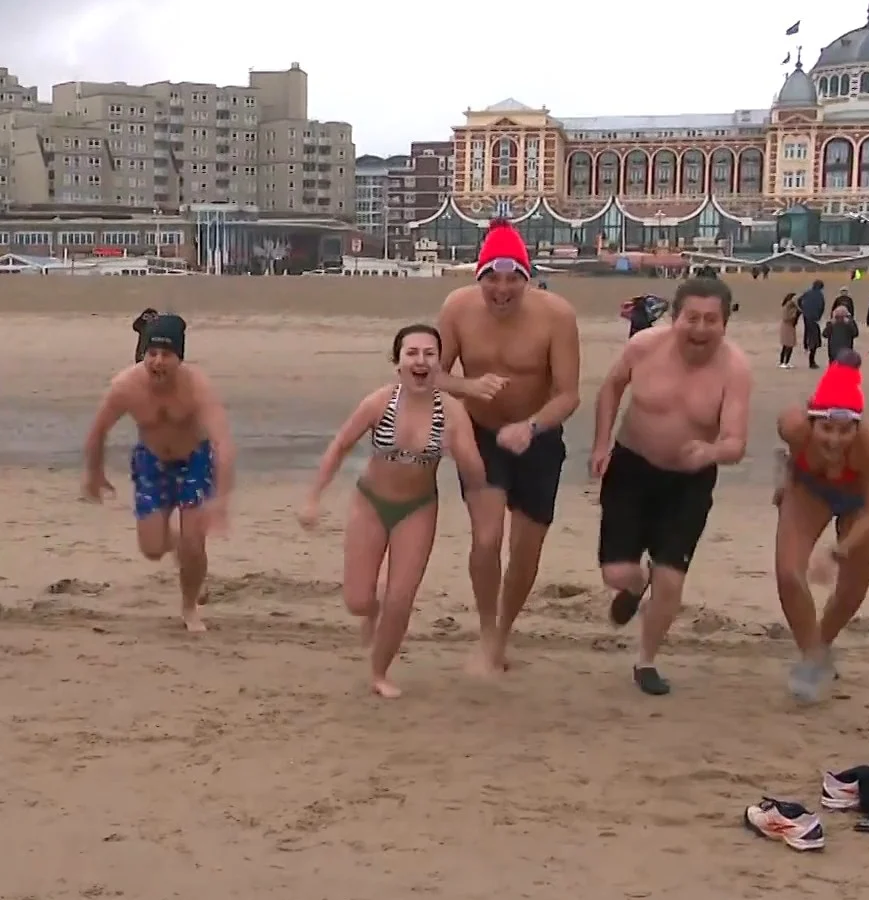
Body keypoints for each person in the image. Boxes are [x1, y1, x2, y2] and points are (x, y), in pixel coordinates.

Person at [299, 324, 487, 698]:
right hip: (370, 502)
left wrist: (460, 450)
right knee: (358, 600)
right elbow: (339, 446)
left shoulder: (451, 412)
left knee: (401, 599)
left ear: (439, 363)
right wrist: (313, 497)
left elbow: (477, 475)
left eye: (429, 354)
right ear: (398, 362)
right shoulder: (380, 402)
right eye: (412, 353)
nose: (421, 361)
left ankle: (379, 672)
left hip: (417, 509)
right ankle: (370, 611)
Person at [588, 276, 752, 696]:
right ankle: (633, 583)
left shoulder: (734, 368)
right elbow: (610, 389)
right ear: (675, 317)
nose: (700, 329)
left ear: (725, 323)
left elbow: (735, 442)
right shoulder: (643, 346)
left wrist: (710, 452)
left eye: (710, 320)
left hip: (688, 482)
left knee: (671, 580)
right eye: (691, 318)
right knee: (617, 572)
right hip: (631, 467)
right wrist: (602, 443)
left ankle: (646, 661)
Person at [432, 219, 581, 676]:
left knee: (525, 549)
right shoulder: (457, 308)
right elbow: (433, 375)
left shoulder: (557, 315)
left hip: (538, 439)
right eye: (490, 278)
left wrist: (532, 426)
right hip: (480, 434)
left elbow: (568, 394)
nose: (501, 289)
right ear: (477, 278)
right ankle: (486, 632)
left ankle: (504, 629)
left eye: (511, 277)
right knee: (487, 537)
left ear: (527, 276)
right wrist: (470, 386)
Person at [83, 313, 235, 633]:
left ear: (179, 358)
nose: (158, 362)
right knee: (152, 549)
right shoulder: (126, 386)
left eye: (166, 355)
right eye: (152, 353)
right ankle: (182, 549)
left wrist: (221, 498)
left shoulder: (197, 388)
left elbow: (223, 442)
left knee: (195, 543)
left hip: (194, 460)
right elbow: (98, 432)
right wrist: (94, 473)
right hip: (152, 462)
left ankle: (189, 606)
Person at [773, 350, 869, 704]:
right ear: (811, 422)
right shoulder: (793, 425)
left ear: (857, 426)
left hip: (859, 504)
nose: (834, 440)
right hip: (811, 490)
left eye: (844, 430)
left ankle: (821, 644)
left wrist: (841, 550)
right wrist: (783, 481)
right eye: (826, 428)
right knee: (789, 574)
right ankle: (811, 658)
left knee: (851, 592)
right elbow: (787, 454)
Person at [797, 280, 827, 365]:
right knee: (814, 333)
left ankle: (806, 345)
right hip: (814, 317)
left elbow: (799, 299)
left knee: (807, 329)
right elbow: (822, 306)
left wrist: (802, 308)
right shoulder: (820, 295)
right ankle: (812, 348)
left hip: (806, 314)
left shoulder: (808, 292)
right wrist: (819, 316)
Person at [777, 293, 800, 368]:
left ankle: (784, 362)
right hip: (787, 326)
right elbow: (787, 317)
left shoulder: (788, 305)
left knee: (787, 345)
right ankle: (784, 362)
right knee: (788, 345)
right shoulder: (789, 306)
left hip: (788, 326)